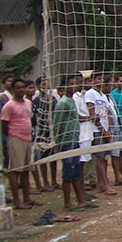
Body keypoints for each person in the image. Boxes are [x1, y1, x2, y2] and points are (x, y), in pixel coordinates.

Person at [53, 76, 93, 211]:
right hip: (66, 141)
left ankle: (81, 200)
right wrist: (57, 144)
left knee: (76, 171)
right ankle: (67, 203)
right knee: (68, 173)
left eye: (75, 84)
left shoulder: (72, 101)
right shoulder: (62, 103)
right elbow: (57, 124)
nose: (74, 86)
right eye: (70, 84)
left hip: (74, 140)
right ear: (63, 88)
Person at [1, 77, 35, 210]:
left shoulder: (28, 103)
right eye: (18, 88)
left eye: (23, 87)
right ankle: (17, 200)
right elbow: (4, 124)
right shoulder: (9, 106)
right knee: (15, 170)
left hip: (28, 139)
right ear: (13, 89)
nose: (21, 90)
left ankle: (27, 198)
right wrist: (12, 135)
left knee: (26, 170)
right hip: (15, 138)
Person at [31, 77, 58, 192]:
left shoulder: (53, 99)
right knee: (43, 157)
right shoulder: (36, 101)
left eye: (47, 84)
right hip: (41, 132)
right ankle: (45, 182)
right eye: (43, 84)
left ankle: (54, 180)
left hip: (52, 131)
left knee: (54, 157)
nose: (45, 86)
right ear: (38, 86)